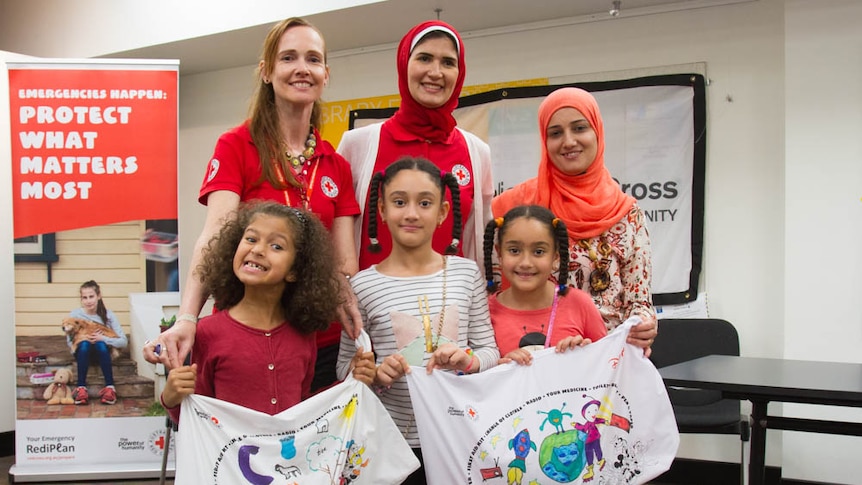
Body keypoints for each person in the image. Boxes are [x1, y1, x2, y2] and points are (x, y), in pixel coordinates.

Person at [144, 18, 363, 393]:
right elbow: (213, 238)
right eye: (288, 57)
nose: (301, 68)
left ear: (326, 73)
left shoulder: (336, 164)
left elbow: (345, 266)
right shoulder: (237, 146)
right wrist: (187, 319)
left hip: (317, 341)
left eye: (312, 59)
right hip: (247, 336)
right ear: (266, 71)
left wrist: (359, 328)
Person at [335, 157, 499, 484]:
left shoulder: (466, 274)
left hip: (459, 439)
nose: (411, 213)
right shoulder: (363, 286)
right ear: (381, 210)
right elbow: (344, 370)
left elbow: (490, 351)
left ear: (441, 212)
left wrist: (468, 361)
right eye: (399, 202)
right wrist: (375, 374)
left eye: (424, 203)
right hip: (391, 444)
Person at [160, 202, 375, 421]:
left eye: (276, 246)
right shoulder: (207, 332)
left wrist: (351, 380)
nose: (257, 250)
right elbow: (196, 416)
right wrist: (171, 398)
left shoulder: (303, 334)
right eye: (251, 239)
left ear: (294, 271)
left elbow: (305, 412)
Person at [492, 87, 658, 354]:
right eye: (555, 133)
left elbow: (639, 300)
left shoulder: (628, 213)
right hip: (534, 358)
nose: (568, 141)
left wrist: (643, 326)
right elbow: (498, 292)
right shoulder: (520, 206)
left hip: (610, 361)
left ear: (597, 132)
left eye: (579, 128)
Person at [338, 20, 493, 270]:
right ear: (404, 64)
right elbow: (337, 232)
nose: (435, 72)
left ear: (460, 72)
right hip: (370, 304)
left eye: (448, 62)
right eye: (424, 58)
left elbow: (482, 242)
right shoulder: (357, 145)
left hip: (450, 305)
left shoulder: (477, 152)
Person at [483, 205, 607, 365]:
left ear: (555, 258)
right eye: (514, 250)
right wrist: (498, 369)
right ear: (499, 254)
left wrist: (585, 355)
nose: (525, 262)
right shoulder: (485, 312)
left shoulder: (580, 304)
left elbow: (609, 365)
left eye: (539, 252)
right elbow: (471, 378)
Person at [68, 280, 128, 405]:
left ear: (98, 296)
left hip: (103, 353)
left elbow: (123, 341)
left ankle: (110, 388)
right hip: (82, 353)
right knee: (85, 345)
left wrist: (104, 339)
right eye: (84, 297)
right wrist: (80, 340)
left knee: (100, 344)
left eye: (91, 296)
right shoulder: (75, 314)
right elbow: (69, 340)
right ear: (81, 299)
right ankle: (81, 388)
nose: (88, 301)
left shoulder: (108, 315)